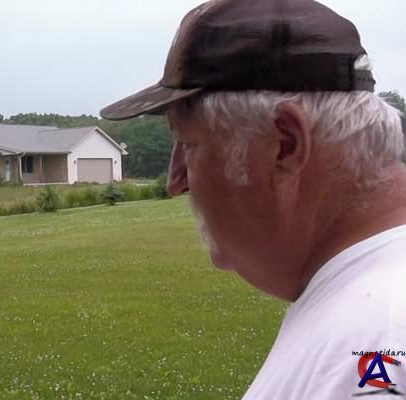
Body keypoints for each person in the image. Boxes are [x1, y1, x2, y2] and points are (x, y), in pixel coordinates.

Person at [100, 0, 406, 398]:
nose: (175, 182)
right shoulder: (364, 302)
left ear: (285, 145)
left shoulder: (372, 343)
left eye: (189, 144)